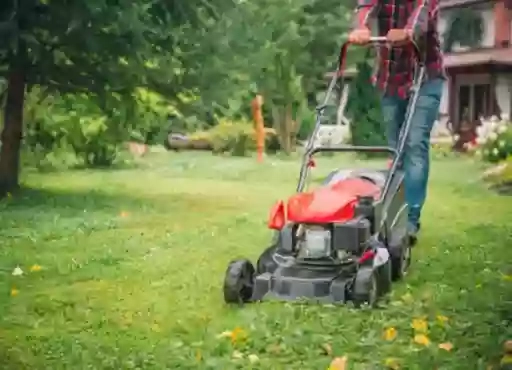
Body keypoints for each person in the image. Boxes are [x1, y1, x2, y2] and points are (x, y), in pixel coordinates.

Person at [348, 0, 445, 245]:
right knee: (396, 149)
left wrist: (409, 31)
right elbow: (365, 5)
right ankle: (394, 215)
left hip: (425, 77)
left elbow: (423, 9)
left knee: (414, 144)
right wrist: (361, 27)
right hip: (390, 80)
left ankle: (411, 219)